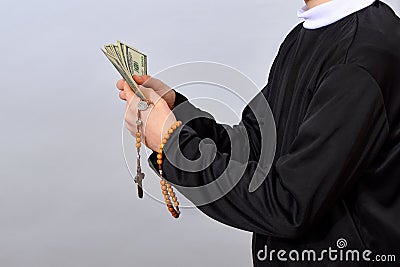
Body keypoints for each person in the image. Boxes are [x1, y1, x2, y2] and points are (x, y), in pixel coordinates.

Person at [116, 0, 400, 265]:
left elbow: (289, 205)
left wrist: (173, 144)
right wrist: (177, 113)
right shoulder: (305, 35)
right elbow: (251, 146)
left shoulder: (363, 58)